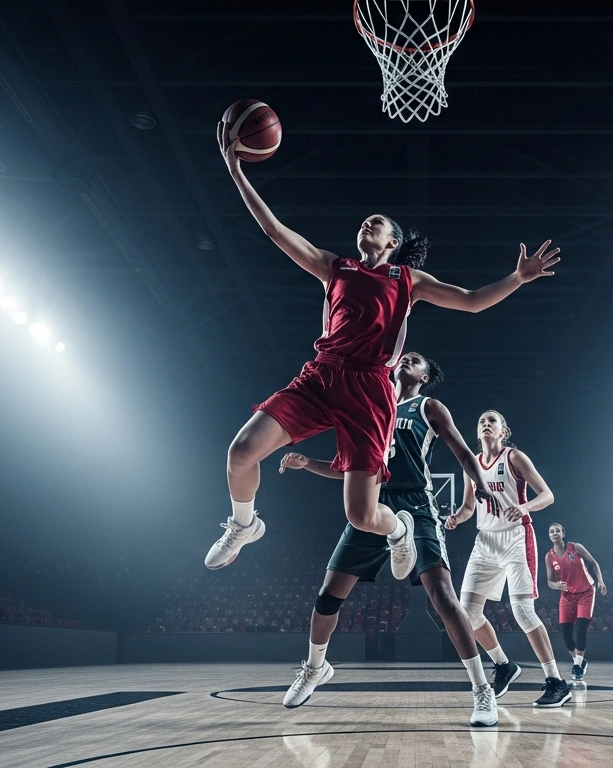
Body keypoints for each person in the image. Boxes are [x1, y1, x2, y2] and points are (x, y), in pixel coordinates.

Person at [205, 121, 562, 574]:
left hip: (370, 392)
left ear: (392, 242)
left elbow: (472, 303)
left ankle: (399, 530)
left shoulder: (408, 281)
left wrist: (517, 278)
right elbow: (276, 231)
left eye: (376, 222)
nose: (365, 223)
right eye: (363, 221)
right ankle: (244, 525)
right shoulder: (335, 267)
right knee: (241, 451)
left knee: (361, 515)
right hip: (321, 375)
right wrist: (236, 169)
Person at [277, 351, 498, 726]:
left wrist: (479, 483)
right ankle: (315, 668)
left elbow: (462, 451)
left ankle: (481, 689)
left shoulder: (428, 407)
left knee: (443, 597)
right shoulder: (371, 403)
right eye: (405, 355)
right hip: (374, 504)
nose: (408, 358)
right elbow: (351, 469)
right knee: (328, 596)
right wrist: (308, 464)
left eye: (417, 359)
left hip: (416, 505)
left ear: (426, 375)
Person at [446, 411, 571, 708]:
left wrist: (525, 507)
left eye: (492, 421)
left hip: (515, 537)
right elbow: (467, 506)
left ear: (503, 431)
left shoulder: (514, 457)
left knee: (523, 612)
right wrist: (456, 518)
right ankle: (504, 665)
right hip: (485, 542)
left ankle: (556, 681)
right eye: (481, 421)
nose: (486, 424)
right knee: (468, 614)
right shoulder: (471, 464)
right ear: (477, 433)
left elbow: (548, 495)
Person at [545, 522, 606, 681]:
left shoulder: (575, 547)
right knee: (565, 634)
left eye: (557, 530)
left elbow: (594, 563)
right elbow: (550, 581)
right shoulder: (549, 556)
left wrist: (600, 581)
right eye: (552, 531)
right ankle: (578, 660)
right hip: (567, 596)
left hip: (586, 592)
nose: (555, 533)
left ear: (563, 533)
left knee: (580, 629)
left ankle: (578, 665)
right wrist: (556, 585)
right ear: (549, 536)